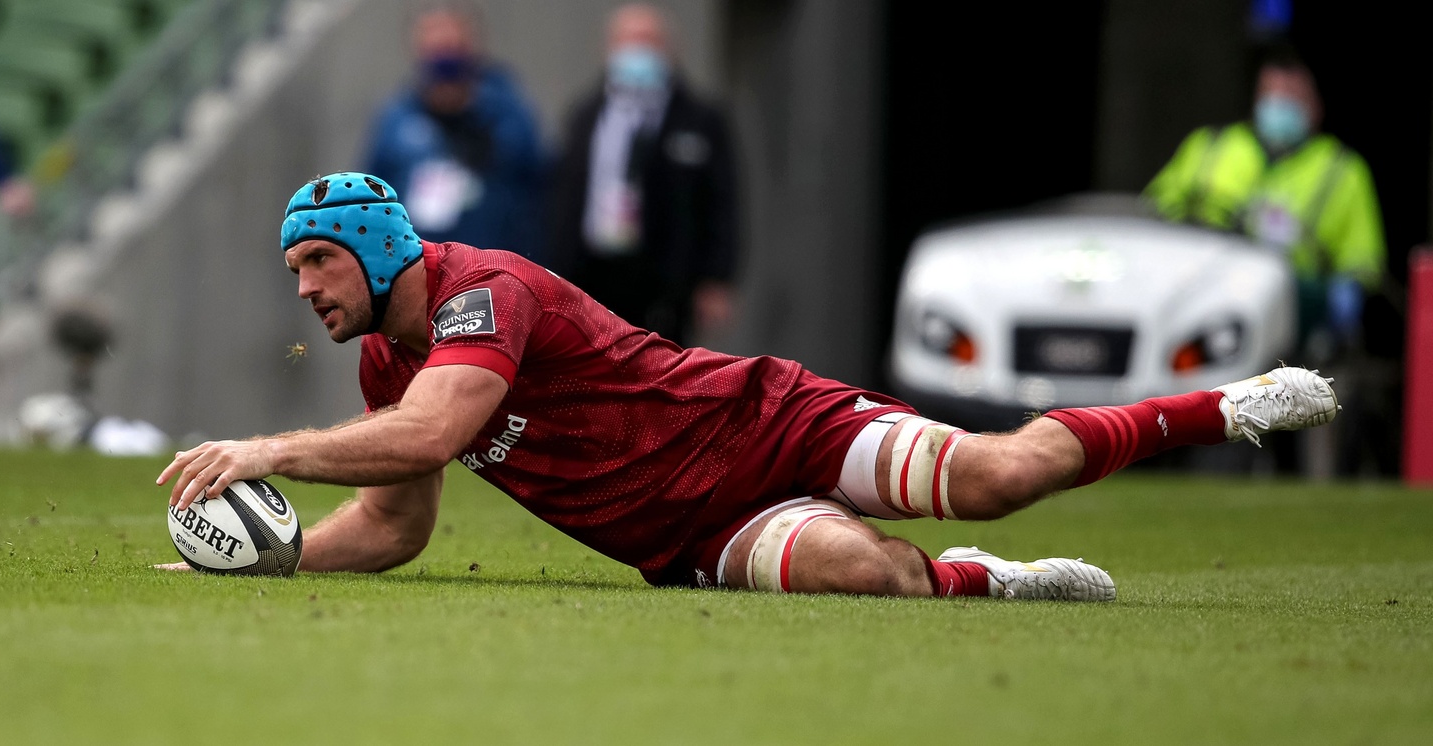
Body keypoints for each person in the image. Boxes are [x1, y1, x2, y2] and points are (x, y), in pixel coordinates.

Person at [156, 172, 1341, 601]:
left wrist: (261, 454)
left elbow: (438, 430)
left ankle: (1222, 406)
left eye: (316, 262)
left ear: (374, 246)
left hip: (764, 419)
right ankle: (981, 588)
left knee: (998, 471)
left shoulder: (482, 291)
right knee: (860, 573)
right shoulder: (383, 359)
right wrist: (271, 557)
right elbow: (395, 519)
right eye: (293, 269)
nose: (303, 288)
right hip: (690, 534)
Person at [1144, 49, 1386, 354]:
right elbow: (1152, 211)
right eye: (1272, 94)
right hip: (1195, 285)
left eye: (1292, 96)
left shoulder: (1342, 169)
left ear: (1316, 105)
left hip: (1289, 306)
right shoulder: (1209, 145)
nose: (1279, 105)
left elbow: (1363, 259)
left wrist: (1347, 290)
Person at [549, 2, 737, 346]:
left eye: (648, 41)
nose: (637, 52)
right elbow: (566, 195)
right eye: (628, 41)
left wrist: (716, 278)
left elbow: (721, 201)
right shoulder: (587, 113)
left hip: (663, 276)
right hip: (595, 268)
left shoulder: (699, 119)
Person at [363, 4, 545, 261]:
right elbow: (373, 195)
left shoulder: (506, 114)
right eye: (436, 50)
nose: (445, 61)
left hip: (494, 266)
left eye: (452, 48)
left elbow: (539, 189)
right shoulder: (398, 119)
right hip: (419, 268)